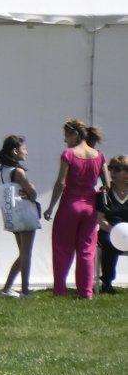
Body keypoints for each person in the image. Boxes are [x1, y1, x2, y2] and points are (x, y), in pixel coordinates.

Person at [42, 118, 105, 298]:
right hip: (90, 207)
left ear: (74, 134)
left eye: (66, 136)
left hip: (70, 205)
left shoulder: (68, 154)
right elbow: (106, 184)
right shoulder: (99, 155)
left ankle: (60, 290)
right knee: (87, 251)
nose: (64, 140)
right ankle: (86, 292)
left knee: (62, 249)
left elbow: (61, 183)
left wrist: (50, 207)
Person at [0, 135, 40, 298]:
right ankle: (25, 289)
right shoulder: (18, 171)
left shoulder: (3, 170)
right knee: (27, 252)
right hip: (24, 214)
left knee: (22, 253)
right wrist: (32, 188)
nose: (26, 152)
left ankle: (7, 288)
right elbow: (32, 194)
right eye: (24, 149)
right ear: (15, 151)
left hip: (12, 215)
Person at [98, 155, 128, 294]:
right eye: (111, 169)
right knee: (108, 243)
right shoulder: (104, 193)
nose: (112, 173)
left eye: (117, 169)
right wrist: (114, 231)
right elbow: (100, 218)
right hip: (109, 231)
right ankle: (107, 282)